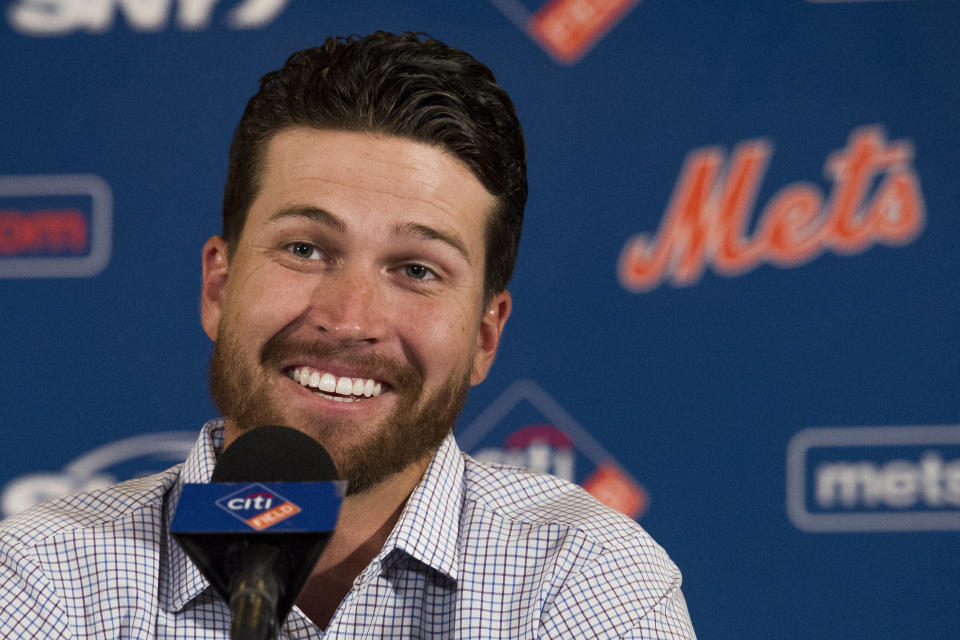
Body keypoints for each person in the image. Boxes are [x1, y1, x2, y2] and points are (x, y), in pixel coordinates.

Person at [0, 32, 696, 638]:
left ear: (486, 336)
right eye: (304, 249)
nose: (349, 318)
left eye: (417, 269)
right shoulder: (43, 582)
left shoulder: (583, 581)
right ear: (218, 285)